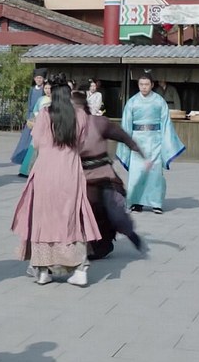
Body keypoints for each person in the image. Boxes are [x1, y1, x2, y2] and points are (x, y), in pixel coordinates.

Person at [11, 75, 101, 287]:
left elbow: (37, 143)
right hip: (70, 171)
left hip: (45, 171)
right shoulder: (80, 115)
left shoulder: (44, 114)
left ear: (52, 94)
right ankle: (79, 269)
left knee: (44, 218)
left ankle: (43, 270)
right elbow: (82, 143)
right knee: (71, 218)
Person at [72, 90, 145, 259]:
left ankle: (130, 233)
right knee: (83, 212)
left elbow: (121, 135)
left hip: (104, 176)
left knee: (115, 212)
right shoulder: (66, 127)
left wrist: (135, 147)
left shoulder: (98, 122)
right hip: (81, 178)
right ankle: (89, 246)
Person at [118, 73, 185, 214]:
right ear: (138, 85)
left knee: (155, 173)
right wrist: (127, 142)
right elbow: (126, 124)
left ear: (152, 85)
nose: (144, 87)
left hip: (155, 140)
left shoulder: (159, 101)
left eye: (146, 84)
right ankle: (136, 202)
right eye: (141, 84)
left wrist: (166, 142)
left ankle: (156, 203)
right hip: (137, 140)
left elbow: (166, 123)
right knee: (137, 172)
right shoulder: (132, 102)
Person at [11, 68, 47, 170]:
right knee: (26, 137)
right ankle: (21, 157)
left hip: (40, 114)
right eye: (37, 78)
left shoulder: (44, 90)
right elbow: (29, 103)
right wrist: (28, 117)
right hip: (31, 114)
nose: (38, 80)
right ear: (34, 79)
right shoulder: (32, 89)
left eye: (40, 78)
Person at [18, 80, 51, 177]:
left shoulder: (54, 100)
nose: (47, 90)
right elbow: (35, 110)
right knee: (33, 146)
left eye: (49, 88)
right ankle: (26, 170)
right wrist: (37, 117)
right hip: (39, 124)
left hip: (48, 126)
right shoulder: (41, 99)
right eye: (46, 88)